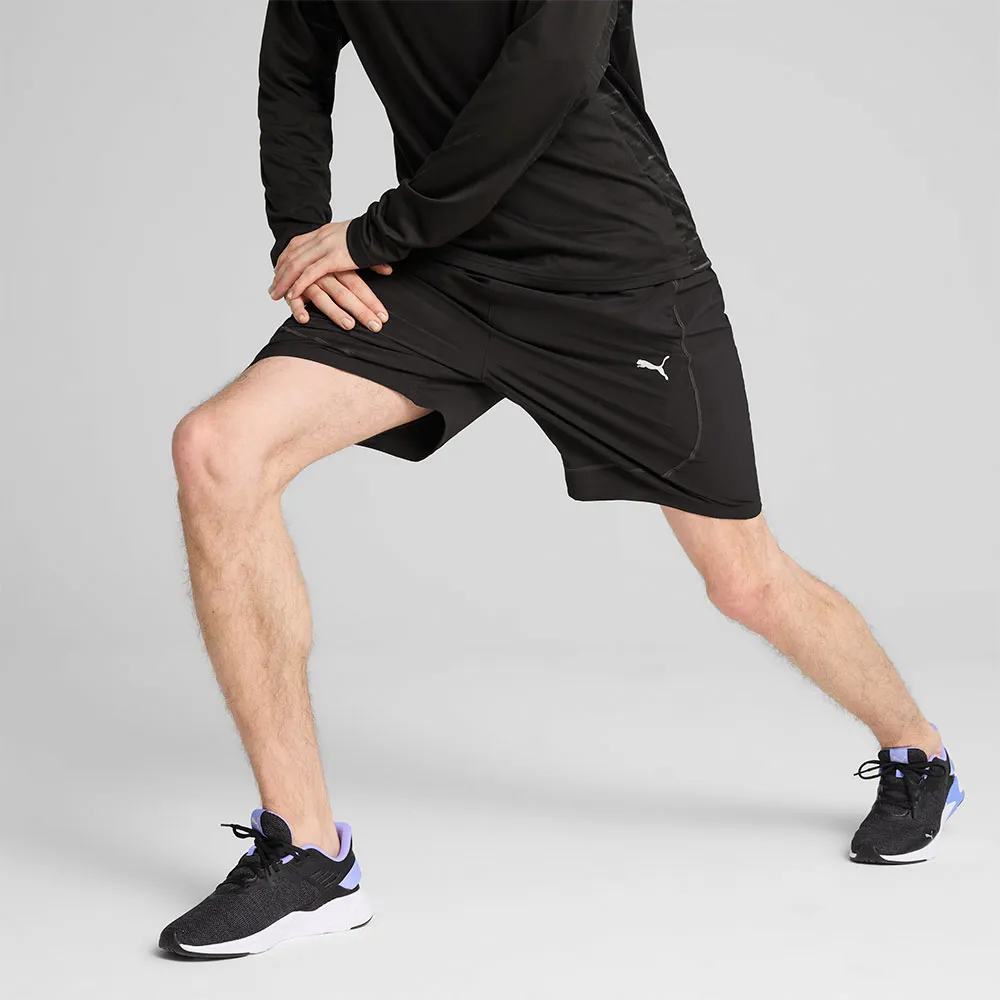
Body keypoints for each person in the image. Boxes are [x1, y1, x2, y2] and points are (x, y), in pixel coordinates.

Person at [158, 1, 964, 959]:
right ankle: (307, 857)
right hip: (442, 269)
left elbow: (552, 68)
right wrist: (303, 238)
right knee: (218, 450)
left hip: (610, 273)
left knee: (745, 582)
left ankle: (920, 753)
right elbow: (293, 70)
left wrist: (382, 231)